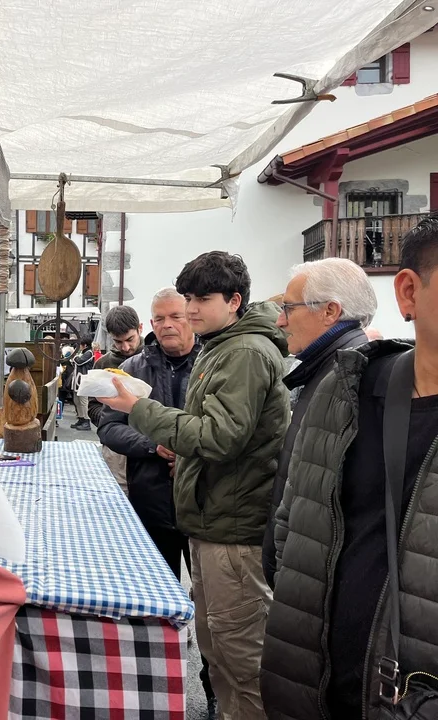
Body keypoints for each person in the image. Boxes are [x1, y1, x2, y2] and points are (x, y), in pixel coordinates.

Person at [99, 251, 289, 720]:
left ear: (234, 301)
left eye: (200, 299)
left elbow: (219, 436)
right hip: (194, 513)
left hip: (230, 523)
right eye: (187, 299)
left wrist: (143, 413)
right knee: (217, 643)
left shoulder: (243, 352)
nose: (189, 310)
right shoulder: (220, 347)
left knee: (239, 655)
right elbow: (120, 427)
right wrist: (158, 444)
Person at [262, 217, 438, 719]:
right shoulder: (349, 389)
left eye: (289, 309)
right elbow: (292, 518)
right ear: (409, 291)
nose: (281, 321)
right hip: (310, 684)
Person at [97, 288, 217, 718]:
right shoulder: (133, 369)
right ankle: (156, 694)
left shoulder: (214, 362)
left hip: (206, 504)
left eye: (175, 316)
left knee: (213, 607)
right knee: (154, 602)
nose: (167, 325)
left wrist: (191, 454)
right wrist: (154, 446)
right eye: (159, 318)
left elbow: (227, 430)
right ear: (150, 323)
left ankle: (213, 688)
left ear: (191, 317)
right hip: (151, 501)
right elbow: (109, 427)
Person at [261, 258, 377, 589]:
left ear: (330, 311)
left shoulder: (350, 378)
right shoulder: (330, 369)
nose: (280, 320)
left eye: (288, 308)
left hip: (315, 577)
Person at [89, 306, 144, 492]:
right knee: (117, 495)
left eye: (130, 339)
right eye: (118, 342)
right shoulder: (102, 364)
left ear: (140, 328)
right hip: (116, 448)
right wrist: (111, 422)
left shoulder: (154, 359)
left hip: (152, 442)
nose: (125, 347)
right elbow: (93, 407)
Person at [69, 334, 95, 431]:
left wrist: (73, 355)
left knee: (83, 401)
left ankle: (86, 420)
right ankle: (81, 418)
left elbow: (79, 361)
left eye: (80, 344)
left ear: (85, 345)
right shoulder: (83, 352)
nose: (79, 346)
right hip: (78, 380)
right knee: (77, 400)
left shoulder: (89, 353)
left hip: (84, 380)